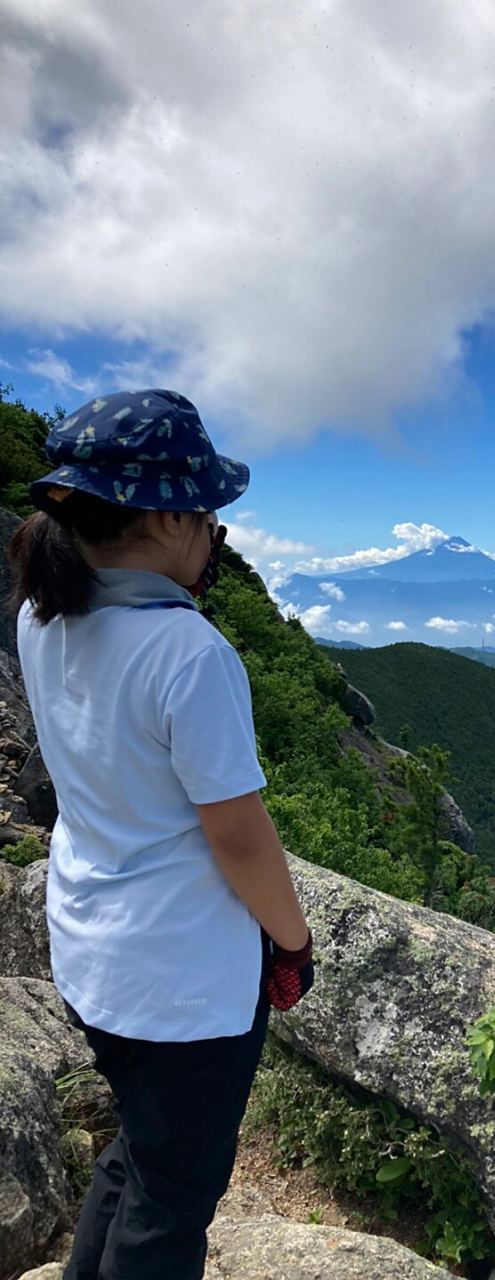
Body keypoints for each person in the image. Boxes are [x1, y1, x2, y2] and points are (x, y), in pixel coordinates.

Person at [8, 389, 316, 1280]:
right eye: (211, 513)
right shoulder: (187, 654)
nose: (218, 534)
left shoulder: (42, 614)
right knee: (172, 1201)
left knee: (142, 1153)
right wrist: (292, 945)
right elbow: (242, 840)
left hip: (90, 952)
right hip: (181, 988)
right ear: (168, 516)